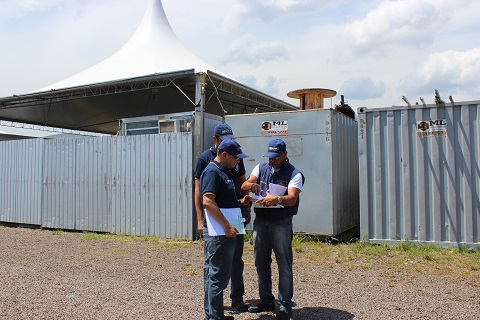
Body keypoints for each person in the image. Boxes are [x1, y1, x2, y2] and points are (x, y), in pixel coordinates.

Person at [241, 139, 304, 320]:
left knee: (284, 264)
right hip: (261, 221)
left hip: (281, 223)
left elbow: (292, 198)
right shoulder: (261, 168)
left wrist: (276, 199)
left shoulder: (295, 174)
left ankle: (284, 305)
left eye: (276, 157)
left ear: (285, 155)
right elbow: (244, 185)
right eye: (270, 157)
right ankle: (266, 300)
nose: (272, 160)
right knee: (261, 262)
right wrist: (253, 187)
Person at [194, 123, 251, 312]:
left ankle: (227, 304)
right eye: (236, 158)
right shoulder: (210, 168)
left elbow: (234, 190)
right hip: (220, 226)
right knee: (216, 270)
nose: (238, 162)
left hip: (233, 219)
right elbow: (207, 200)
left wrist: (243, 203)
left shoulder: (228, 166)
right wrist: (202, 220)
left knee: (231, 264)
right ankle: (213, 314)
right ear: (223, 151)